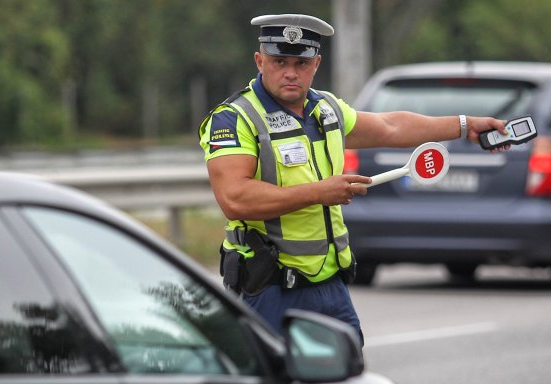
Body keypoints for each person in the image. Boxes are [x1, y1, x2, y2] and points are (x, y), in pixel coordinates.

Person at [198, 13, 510, 343]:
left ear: (316, 64)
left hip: (330, 285)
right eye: (279, 61)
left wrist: (464, 126)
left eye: (301, 63)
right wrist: (320, 192)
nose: (290, 72)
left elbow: (391, 126)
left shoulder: (326, 108)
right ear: (259, 61)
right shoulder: (234, 119)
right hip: (268, 288)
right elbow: (235, 198)